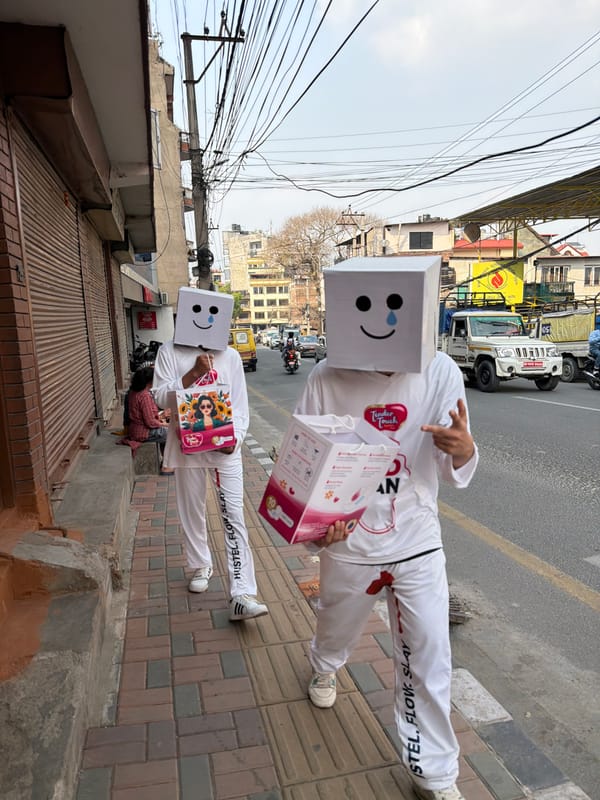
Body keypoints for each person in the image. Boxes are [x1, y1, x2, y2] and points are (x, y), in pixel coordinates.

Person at [294, 256, 478, 800]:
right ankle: (324, 665)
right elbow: (304, 457)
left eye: (397, 306)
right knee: (336, 625)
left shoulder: (440, 370)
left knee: (427, 650)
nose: (382, 317)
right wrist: (315, 522)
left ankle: (434, 772)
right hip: (348, 538)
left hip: (418, 536)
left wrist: (464, 449)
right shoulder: (326, 376)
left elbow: (453, 457)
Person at [153, 287, 268, 622]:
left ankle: (242, 592)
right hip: (186, 446)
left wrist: (236, 439)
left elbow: (242, 408)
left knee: (233, 513)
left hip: (223, 449)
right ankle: (200, 565)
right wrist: (191, 376)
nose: (206, 320)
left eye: (214, 314)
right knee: (192, 510)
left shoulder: (230, 357)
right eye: (199, 312)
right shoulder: (169, 351)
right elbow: (160, 397)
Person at [123, 366, 172, 475]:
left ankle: (166, 462)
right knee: (172, 433)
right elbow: (150, 422)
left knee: (166, 431)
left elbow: (144, 416)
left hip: (135, 429)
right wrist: (165, 425)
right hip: (143, 432)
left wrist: (161, 419)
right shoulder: (144, 396)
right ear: (150, 381)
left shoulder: (133, 392)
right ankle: (167, 467)